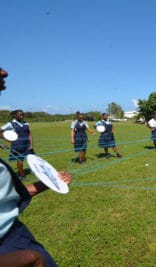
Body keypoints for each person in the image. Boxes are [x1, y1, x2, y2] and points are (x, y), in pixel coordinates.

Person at [0, 66, 72, 266]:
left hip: (17, 236)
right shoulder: (11, 125)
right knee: (19, 162)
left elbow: (5, 200)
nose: (4, 72)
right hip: (10, 250)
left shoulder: (25, 126)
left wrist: (48, 183)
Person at [0, 109, 34, 180]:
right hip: (18, 145)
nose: (22, 116)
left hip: (27, 144)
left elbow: (29, 134)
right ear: (15, 116)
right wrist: (8, 139)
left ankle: (33, 170)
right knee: (20, 159)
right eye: (20, 115)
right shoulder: (11, 124)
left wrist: (31, 145)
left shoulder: (26, 123)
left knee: (32, 158)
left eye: (23, 115)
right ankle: (22, 176)